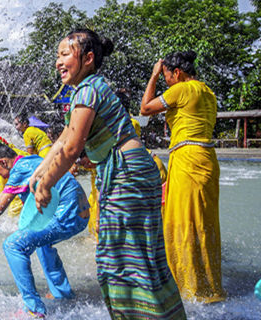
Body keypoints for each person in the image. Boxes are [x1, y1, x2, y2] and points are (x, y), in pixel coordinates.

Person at [32, 29, 186, 318]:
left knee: (121, 260)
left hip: (127, 175)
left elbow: (72, 147)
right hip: (130, 173)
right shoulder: (88, 89)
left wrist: (47, 184)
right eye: (57, 56)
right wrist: (41, 170)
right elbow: (64, 139)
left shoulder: (88, 90)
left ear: (88, 58)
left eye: (65, 54)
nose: (58, 62)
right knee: (138, 258)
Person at [0, 136, 89, 317]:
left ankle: (34, 310)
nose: (2, 178)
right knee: (42, 242)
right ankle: (63, 295)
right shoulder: (31, 160)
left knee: (13, 245)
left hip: (68, 214)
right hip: (80, 212)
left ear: (3, 162)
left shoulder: (19, 169)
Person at [140, 50, 226, 303]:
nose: (166, 81)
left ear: (176, 73)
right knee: (203, 221)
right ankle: (209, 284)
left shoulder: (182, 89)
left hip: (188, 159)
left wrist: (153, 77)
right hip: (206, 159)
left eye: (167, 75)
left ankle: (189, 288)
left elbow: (145, 109)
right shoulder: (207, 91)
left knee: (183, 222)